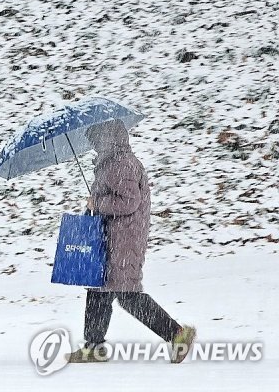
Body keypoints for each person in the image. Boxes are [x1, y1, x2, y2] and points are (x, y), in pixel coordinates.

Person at [66, 119, 196, 363]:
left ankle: (177, 334)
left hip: (123, 239)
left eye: (97, 139)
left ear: (109, 138)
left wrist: (98, 204)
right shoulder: (111, 163)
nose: (94, 145)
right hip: (112, 236)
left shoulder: (121, 164)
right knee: (98, 290)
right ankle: (94, 347)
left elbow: (129, 202)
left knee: (126, 293)